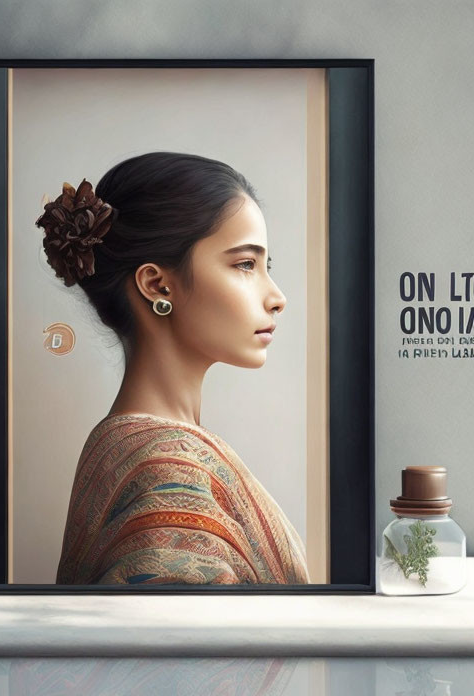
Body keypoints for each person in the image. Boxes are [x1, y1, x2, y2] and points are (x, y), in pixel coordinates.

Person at [36, 152, 309, 585]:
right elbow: (181, 652)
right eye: (245, 264)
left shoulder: (126, 447)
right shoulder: (168, 472)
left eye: (265, 266)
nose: (277, 296)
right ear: (157, 284)